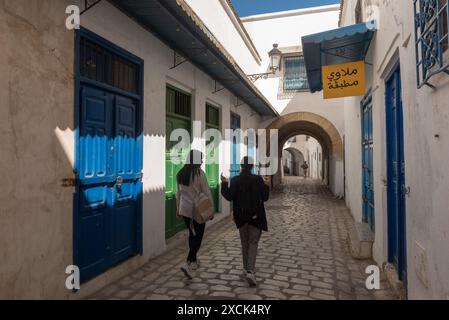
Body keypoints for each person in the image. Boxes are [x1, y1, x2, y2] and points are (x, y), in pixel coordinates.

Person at [220, 156, 269, 286]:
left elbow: (229, 196)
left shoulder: (235, 180)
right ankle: (250, 271)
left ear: (241, 167)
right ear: (252, 166)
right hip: (255, 217)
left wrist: (224, 183)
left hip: (241, 217)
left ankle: (245, 268)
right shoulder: (258, 179)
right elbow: (265, 197)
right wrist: (265, 185)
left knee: (244, 243)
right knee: (253, 243)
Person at [176, 150, 213, 280]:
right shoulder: (199, 174)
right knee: (198, 236)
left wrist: (177, 209)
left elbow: (178, 193)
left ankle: (194, 261)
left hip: (185, 210)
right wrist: (211, 210)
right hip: (198, 210)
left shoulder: (180, 174)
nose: (202, 162)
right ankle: (188, 261)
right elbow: (207, 192)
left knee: (192, 234)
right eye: (201, 159)